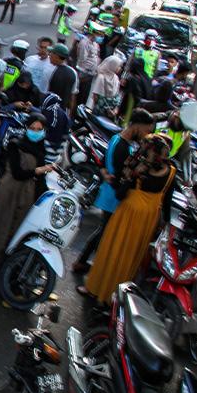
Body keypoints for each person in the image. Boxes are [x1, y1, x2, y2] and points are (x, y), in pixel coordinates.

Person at [78, 135, 176, 302]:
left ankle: (96, 289)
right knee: (130, 257)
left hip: (127, 215)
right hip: (148, 220)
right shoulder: (171, 172)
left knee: (111, 250)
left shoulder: (139, 169)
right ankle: (116, 299)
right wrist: (165, 224)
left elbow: (120, 193)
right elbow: (167, 201)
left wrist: (125, 177)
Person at [73, 109, 154, 274]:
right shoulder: (123, 147)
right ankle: (85, 263)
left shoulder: (117, 138)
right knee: (105, 232)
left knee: (103, 231)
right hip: (113, 196)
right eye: (146, 130)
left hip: (109, 192)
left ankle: (83, 261)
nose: (147, 135)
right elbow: (119, 177)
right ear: (138, 126)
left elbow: (103, 162)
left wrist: (104, 172)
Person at [0, 112, 52, 269]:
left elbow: (41, 182)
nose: (35, 132)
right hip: (9, 190)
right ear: (26, 128)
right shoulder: (15, 144)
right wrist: (38, 171)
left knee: (14, 230)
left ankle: (3, 267)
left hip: (26, 196)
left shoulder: (40, 150)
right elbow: (17, 173)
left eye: (39, 129)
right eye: (32, 128)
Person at [75, 22, 105, 105]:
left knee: (85, 95)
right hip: (84, 72)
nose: (101, 37)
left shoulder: (95, 44)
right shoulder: (84, 43)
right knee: (79, 95)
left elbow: (96, 56)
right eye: (100, 34)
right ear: (93, 33)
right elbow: (82, 58)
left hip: (91, 73)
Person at [47, 43, 78, 114]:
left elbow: (45, 90)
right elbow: (72, 96)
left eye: (51, 53)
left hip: (48, 108)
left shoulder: (50, 70)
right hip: (62, 111)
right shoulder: (73, 72)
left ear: (56, 56)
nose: (49, 55)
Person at [120, 58, 152, 124]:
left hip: (131, 110)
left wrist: (120, 111)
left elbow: (127, 97)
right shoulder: (147, 78)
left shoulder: (133, 79)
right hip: (143, 110)